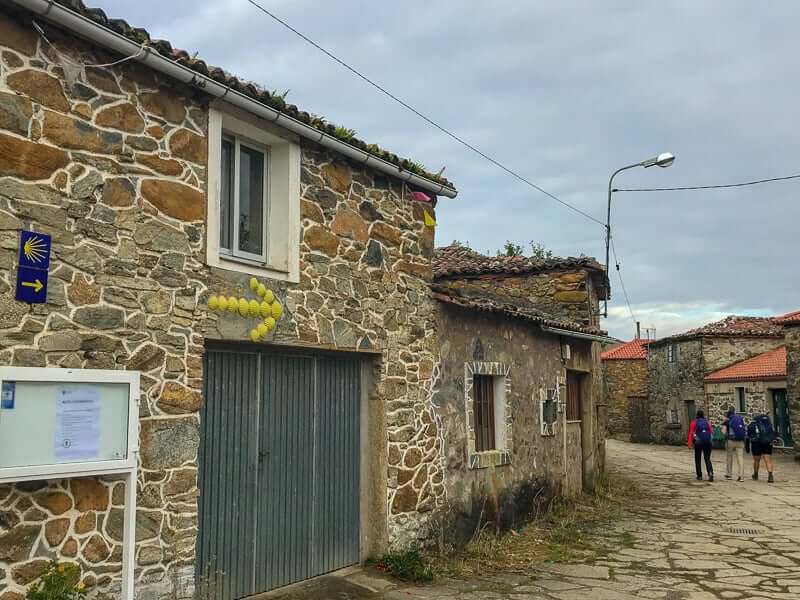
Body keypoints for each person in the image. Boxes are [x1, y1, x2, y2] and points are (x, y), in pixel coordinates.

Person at [746, 412, 776, 483]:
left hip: (756, 443)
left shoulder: (752, 424)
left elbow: (748, 436)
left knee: (756, 460)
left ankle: (756, 474)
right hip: (767, 442)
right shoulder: (767, 423)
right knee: (768, 459)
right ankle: (770, 475)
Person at [687, 409, 714, 481]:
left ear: (697, 416)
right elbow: (711, 432)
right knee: (707, 458)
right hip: (707, 442)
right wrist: (711, 441)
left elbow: (691, 433)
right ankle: (710, 473)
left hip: (698, 443)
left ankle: (699, 475)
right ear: (703, 415)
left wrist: (689, 444)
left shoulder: (694, 423)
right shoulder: (707, 422)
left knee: (698, 458)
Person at [722, 407, 746, 481]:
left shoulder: (727, 421)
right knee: (740, 458)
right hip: (740, 441)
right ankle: (741, 476)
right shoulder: (740, 418)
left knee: (729, 457)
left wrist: (726, 436)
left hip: (731, 441)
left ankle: (729, 475)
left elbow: (723, 431)